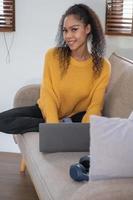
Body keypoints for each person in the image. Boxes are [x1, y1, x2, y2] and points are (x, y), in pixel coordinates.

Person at [0, 3, 111, 134]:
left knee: (84, 117)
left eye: (74, 29)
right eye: (65, 30)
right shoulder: (53, 56)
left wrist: (84, 131)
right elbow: (48, 94)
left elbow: (95, 107)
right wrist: (53, 125)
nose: (68, 36)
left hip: (76, 117)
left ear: (87, 29)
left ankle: (65, 126)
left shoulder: (103, 66)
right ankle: (61, 126)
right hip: (45, 111)